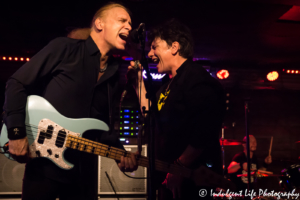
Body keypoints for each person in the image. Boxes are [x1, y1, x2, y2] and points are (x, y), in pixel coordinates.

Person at [3, 2, 138, 200]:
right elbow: (16, 83)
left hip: (83, 175)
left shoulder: (114, 73)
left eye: (130, 23)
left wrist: (120, 153)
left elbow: (101, 126)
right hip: (44, 168)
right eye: (122, 21)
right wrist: (16, 132)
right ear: (99, 24)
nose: (129, 27)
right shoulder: (65, 48)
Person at [128, 19, 226, 199]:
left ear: (174, 47)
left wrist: (180, 168)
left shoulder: (195, 78)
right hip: (168, 178)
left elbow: (205, 129)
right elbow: (151, 115)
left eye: (154, 47)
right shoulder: (169, 83)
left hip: (192, 182)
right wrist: (138, 83)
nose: (150, 53)